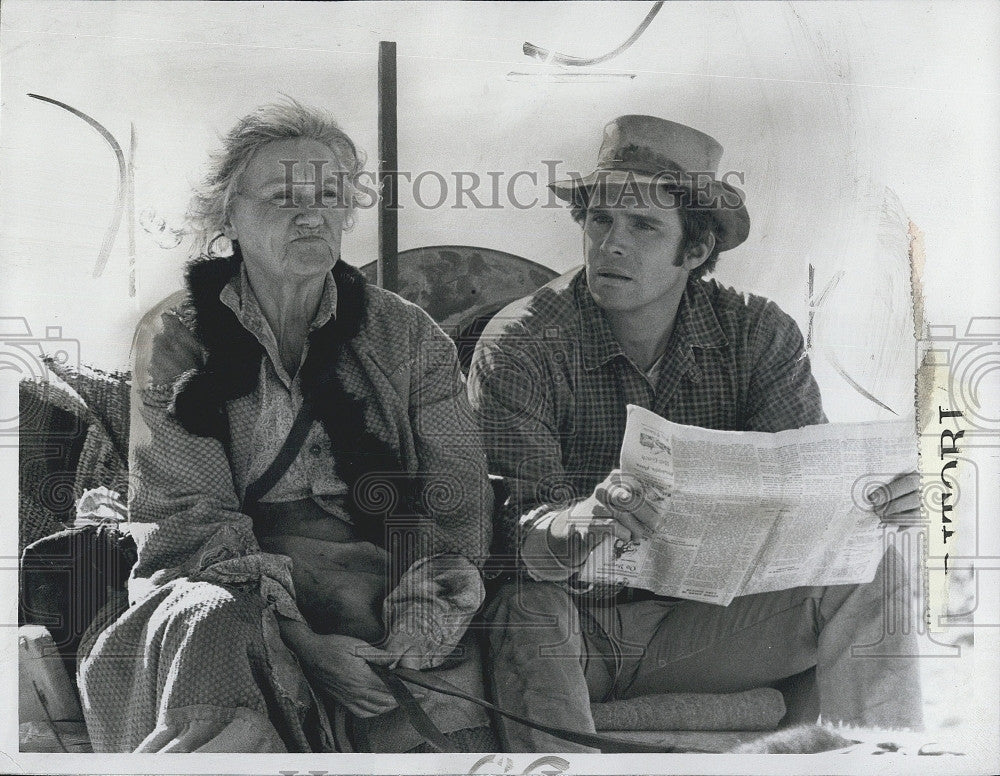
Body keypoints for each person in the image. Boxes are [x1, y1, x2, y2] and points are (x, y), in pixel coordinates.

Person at [467, 115, 923, 752]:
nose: (611, 245)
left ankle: (887, 763)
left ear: (697, 250)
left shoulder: (757, 333)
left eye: (643, 226)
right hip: (575, 632)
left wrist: (873, 500)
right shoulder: (522, 343)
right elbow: (507, 535)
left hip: (703, 629)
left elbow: (807, 504)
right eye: (601, 221)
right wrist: (579, 524)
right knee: (527, 608)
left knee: (879, 561)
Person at [77, 100, 493, 752]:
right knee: (213, 628)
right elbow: (187, 518)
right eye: (282, 196)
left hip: (383, 587)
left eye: (329, 194)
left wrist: (420, 617)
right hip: (227, 588)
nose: (311, 213)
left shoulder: (407, 336)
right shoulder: (177, 336)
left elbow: (455, 496)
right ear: (230, 215)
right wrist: (303, 639)